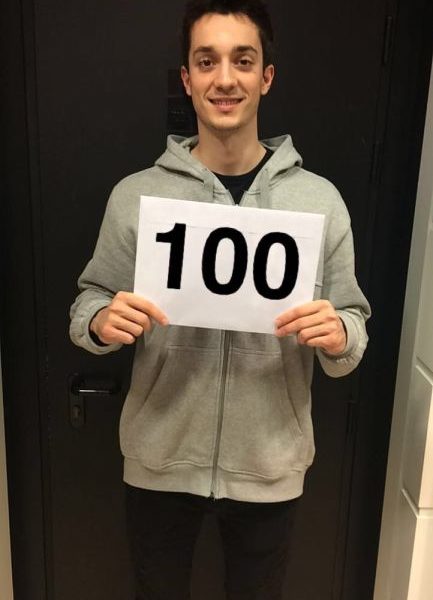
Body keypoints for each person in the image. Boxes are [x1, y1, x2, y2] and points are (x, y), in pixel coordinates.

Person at [69, 1, 371, 598]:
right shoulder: (137, 197)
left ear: (266, 76)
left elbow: (353, 321)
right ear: (187, 78)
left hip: (270, 465)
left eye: (243, 60)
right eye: (207, 61)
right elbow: (88, 301)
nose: (225, 78)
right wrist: (102, 321)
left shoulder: (320, 202)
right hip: (159, 460)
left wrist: (340, 335)